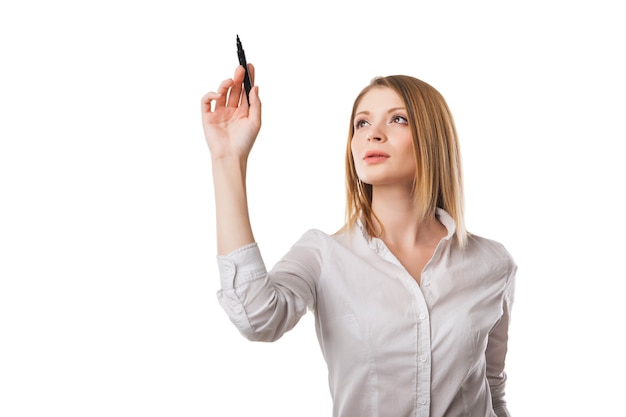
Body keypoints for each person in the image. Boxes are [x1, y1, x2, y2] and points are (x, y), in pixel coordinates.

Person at [201, 64, 516, 417]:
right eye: (362, 123)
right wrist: (227, 159)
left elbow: (491, 387)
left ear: (433, 137)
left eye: (398, 119)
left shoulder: (492, 263)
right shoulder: (323, 254)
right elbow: (256, 317)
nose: (373, 134)